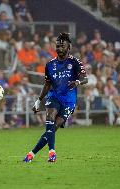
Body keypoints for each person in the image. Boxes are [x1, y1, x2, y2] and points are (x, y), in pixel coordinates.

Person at [23, 33, 88, 163]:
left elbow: (85, 78)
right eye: (57, 46)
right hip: (54, 96)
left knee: (53, 128)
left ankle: (31, 154)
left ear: (68, 47)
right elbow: (47, 84)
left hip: (69, 100)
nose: (59, 48)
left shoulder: (75, 62)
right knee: (50, 116)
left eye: (62, 46)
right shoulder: (50, 65)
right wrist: (38, 100)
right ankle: (52, 152)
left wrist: (77, 82)